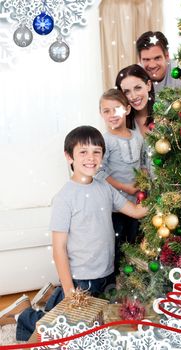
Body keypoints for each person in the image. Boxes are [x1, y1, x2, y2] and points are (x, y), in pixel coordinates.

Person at [0, 125, 147, 341]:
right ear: (69, 157)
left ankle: (51, 297)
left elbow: (134, 211)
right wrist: (69, 290)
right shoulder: (64, 198)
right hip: (81, 279)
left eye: (97, 152)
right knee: (66, 327)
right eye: (83, 152)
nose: (91, 157)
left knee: (97, 324)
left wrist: (165, 201)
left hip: (106, 274)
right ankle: (24, 314)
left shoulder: (105, 188)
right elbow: (58, 248)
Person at [98, 89, 146, 271]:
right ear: (101, 114)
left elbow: (142, 163)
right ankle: (117, 282)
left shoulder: (137, 136)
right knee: (118, 245)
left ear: (127, 109)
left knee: (136, 242)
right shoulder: (105, 140)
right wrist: (124, 188)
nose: (112, 115)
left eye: (116, 109)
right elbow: (101, 173)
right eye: (106, 111)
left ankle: (134, 281)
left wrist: (143, 181)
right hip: (115, 206)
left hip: (137, 203)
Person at [115, 64, 155, 177]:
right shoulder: (121, 125)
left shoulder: (167, 115)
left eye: (138, 88)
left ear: (148, 85)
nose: (133, 96)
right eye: (126, 92)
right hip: (137, 191)